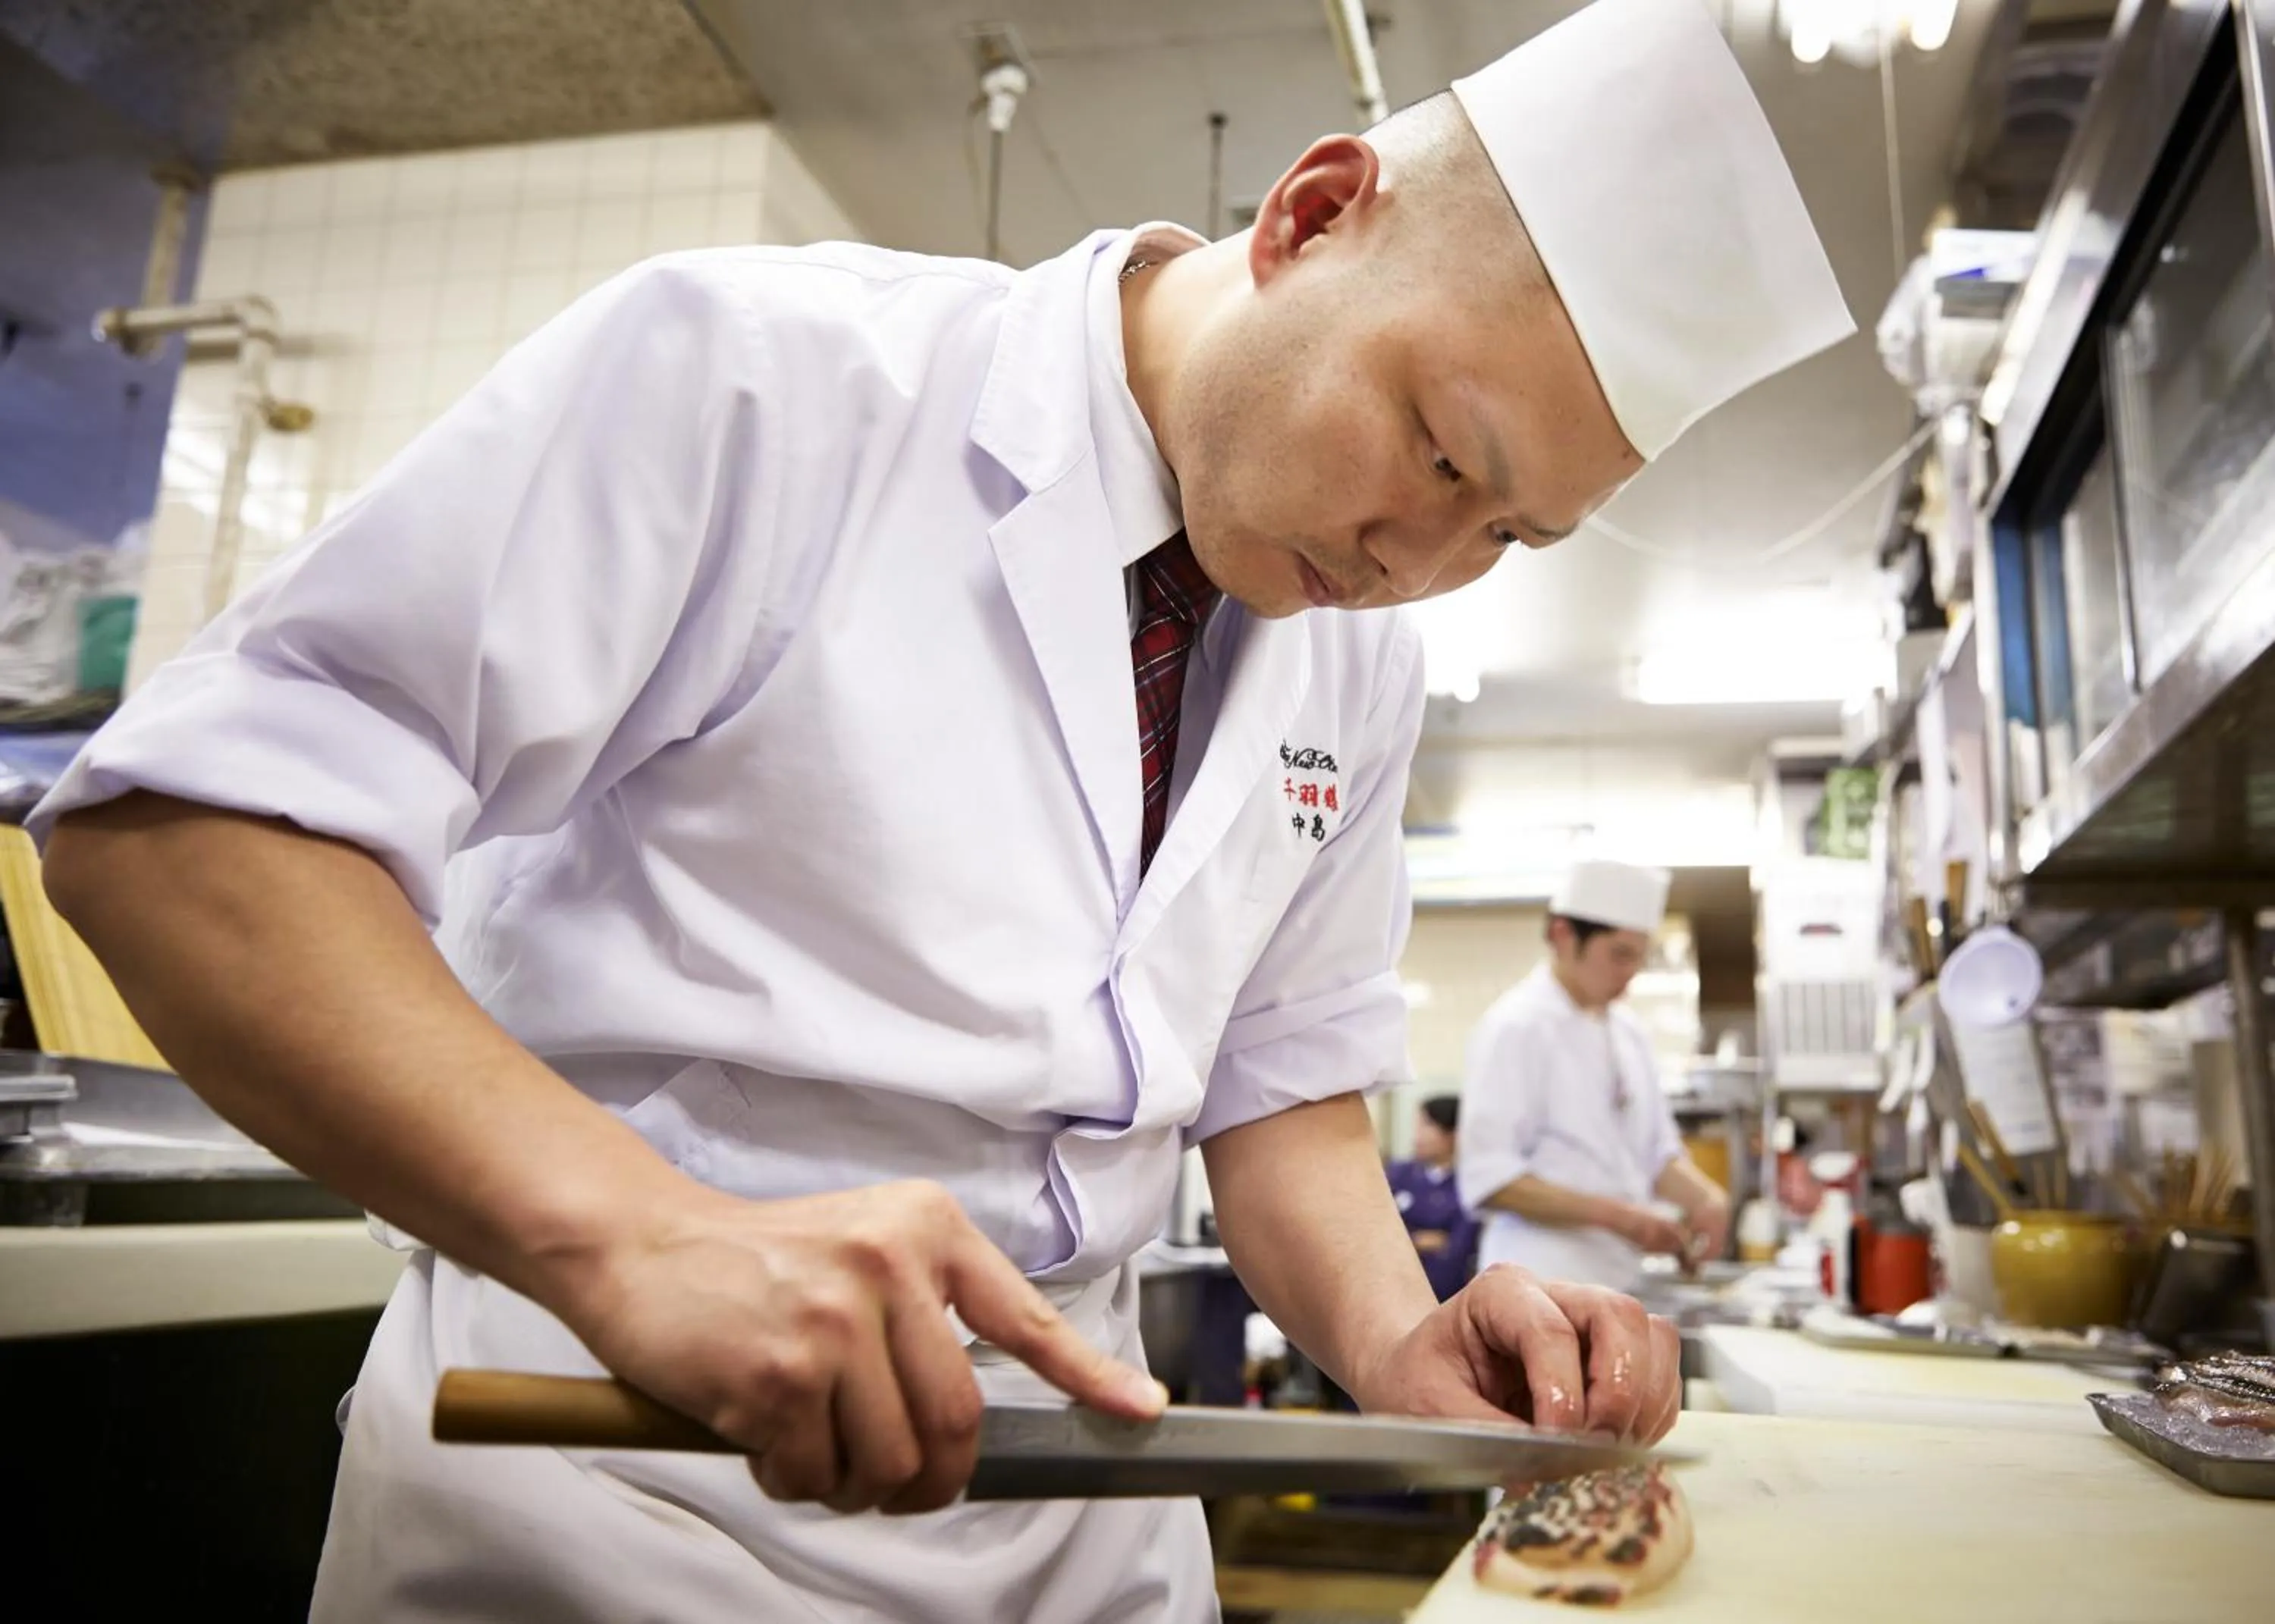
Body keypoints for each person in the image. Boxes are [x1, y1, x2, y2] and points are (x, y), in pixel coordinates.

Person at [33, 1, 1844, 1616]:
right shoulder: (760, 380)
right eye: (1442, 453)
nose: (1415, 561)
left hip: (1087, 1527)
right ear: (1306, 215)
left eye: (1506, 539)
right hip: (616, 1499)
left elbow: (1279, 1083)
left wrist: (1391, 1333)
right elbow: (184, 830)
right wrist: (641, 1236)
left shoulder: (1352, 666)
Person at [1459, 860, 1734, 1295]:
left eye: (1639, 958)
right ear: (1563, 936)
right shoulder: (1516, 1027)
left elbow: (1655, 1156)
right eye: (1620, 955)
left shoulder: (1628, 1032)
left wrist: (1707, 1200)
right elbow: (1493, 1180)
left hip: (1618, 1281)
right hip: (1537, 1283)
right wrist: (1623, 1218)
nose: (1630, 974)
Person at [1389, 1096, 1478, 1301]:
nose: (1417, 1136)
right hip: (1393, 1291)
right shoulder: (1398, 1175)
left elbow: (1459, 1247)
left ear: (1453, 1135)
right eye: (1417, 1126)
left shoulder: (1467, 1186)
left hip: (1445, 1296)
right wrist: (1418, 1241)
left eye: (1427, 1126)